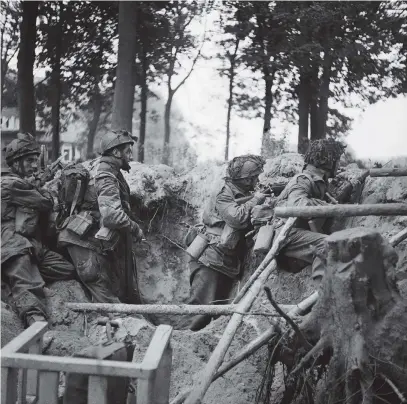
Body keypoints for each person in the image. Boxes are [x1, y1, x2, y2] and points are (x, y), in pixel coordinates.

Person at [182, 155, 268, 331]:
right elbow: (236, 218)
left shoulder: (242, 191)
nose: (257, 181)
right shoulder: (224, 191)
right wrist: (256, 199)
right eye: (254, 178)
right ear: (246, 179)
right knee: (200, 311)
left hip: (226, 260)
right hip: (211, 258)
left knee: (217, 311)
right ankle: (182, 345)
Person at [58, 130, 144, 304]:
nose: (130, 155)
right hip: (83, 243)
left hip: (89, 241)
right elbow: (112, 216)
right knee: (107, 298)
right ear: (115, 152)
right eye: (127, 151)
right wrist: (135, 229)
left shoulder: (109, 170)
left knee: (114, 292)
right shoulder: (105, 173)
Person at [1, 133, 76, 327]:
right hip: (11, 244)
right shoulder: (11, 184)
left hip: (31, 244)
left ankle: (10, 281)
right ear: (16, 163)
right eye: (29, 161)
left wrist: (38, 183)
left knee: (66, 269)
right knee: (28, 285)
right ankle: (35, 323)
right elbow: (45, 202)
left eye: (36, 160)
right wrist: (45, 187)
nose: (35, 165)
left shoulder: (22, 183)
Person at [270, 138, 347, 281]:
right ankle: (323, 291)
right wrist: (327, 206)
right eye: (338, 160)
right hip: (287, 234)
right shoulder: (303, 179)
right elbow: (298, 205)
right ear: (329, 161)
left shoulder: (319, 181)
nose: (340, 164)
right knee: (330, 244)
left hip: (298, 233)